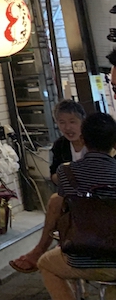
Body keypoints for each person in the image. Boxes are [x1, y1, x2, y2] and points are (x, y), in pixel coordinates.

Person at [38, 112, 116, 300]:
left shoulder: (66, 172)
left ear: (83, 139)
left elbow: (63, 205)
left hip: (80, 257)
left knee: (45, 264)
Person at [9, 99, 86, 274]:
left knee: (55, 201)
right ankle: (42, 251)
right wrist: (67, 175)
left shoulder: (95, 141)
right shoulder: (60, 145)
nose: (68, 127)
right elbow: (53, 176)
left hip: (98, 196)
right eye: (62, 122)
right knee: (55, 201)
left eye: (72, 122)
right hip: (71, 196)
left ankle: (40, 251)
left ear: (83, 121)